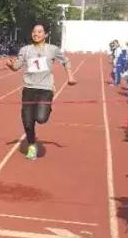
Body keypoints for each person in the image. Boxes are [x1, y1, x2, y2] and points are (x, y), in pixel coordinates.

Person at [6, 23, 76, 161]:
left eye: (39, 32)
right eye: (34, 31)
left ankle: (47, 108)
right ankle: (32, 145)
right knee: (27, 121)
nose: (36, 34)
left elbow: (66, 62)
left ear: (45, 34)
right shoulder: (25, 50)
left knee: (41, 119)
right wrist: (10, 65)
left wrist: (70, 77)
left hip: (45, 89)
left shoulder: (53, 50)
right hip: (29, 88)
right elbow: (17, 67)